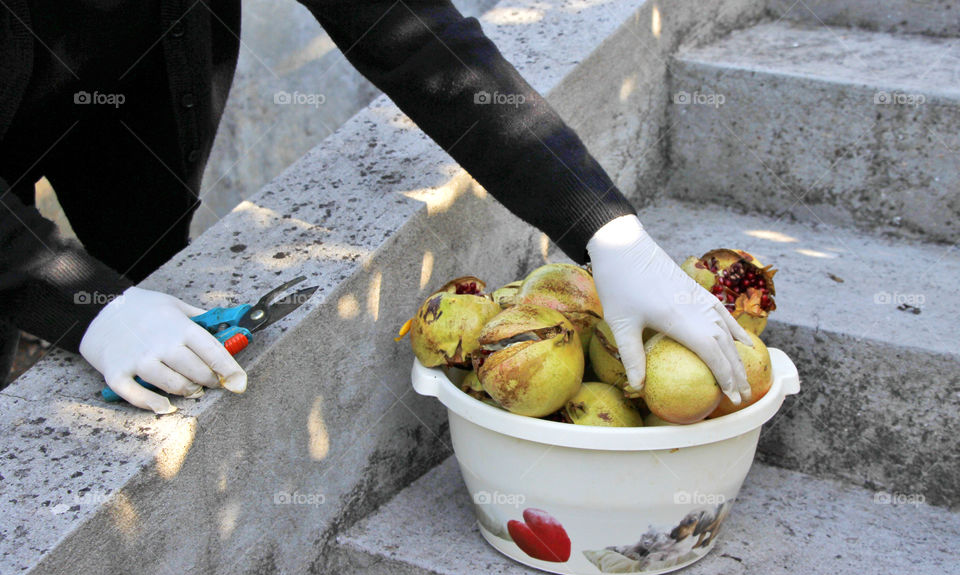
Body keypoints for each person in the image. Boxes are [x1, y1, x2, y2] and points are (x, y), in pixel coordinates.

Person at [0, 1, 751, 413]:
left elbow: (418, 38)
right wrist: (79, 303)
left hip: (142, 73)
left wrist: (604, 227)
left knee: (153, 269)